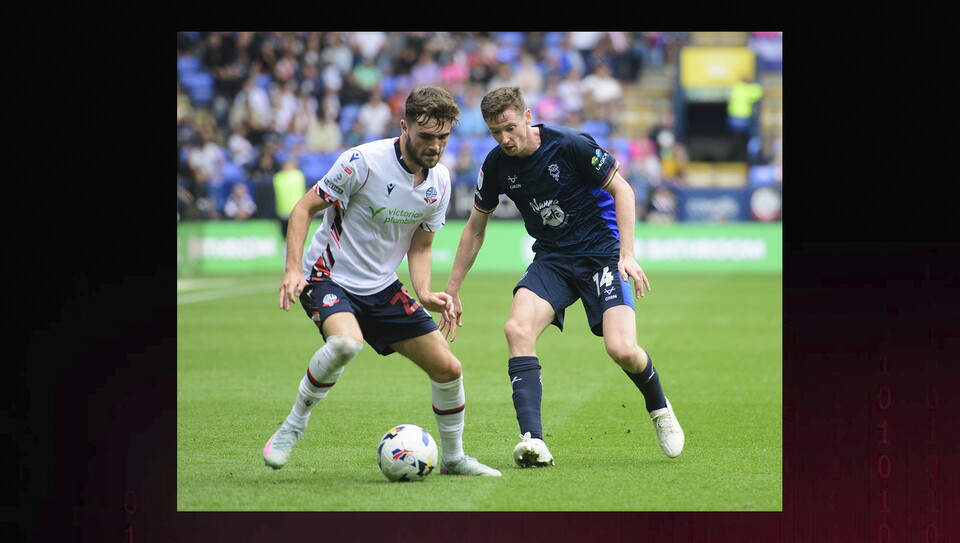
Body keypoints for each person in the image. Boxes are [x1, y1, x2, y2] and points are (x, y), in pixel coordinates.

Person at [440, 86, 684, 468]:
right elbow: (474, 229)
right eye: (495, 132)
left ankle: (659, 407)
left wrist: (627, 255)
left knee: (622, 350)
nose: (504, 139)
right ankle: (533, 440)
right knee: (516, 329)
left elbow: (623, 190)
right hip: (553, 259)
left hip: (602, 254)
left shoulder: (570, 145)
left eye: (509, 128)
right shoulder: (496, 166)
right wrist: (452, 290)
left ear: (526, 116)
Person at [264, 86, 501, 477]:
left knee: (449, 369)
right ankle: (293, 427)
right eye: (427, 137)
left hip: (381, 286)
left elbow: (421, 245)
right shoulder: (362, 162)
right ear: (405, 127)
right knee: (344, 344)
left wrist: (424, 292)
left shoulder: (439, 182)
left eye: (443, 137)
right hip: (329, 277)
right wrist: (292, 270)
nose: (436, 146)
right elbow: (304, 208)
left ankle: (455, 459)